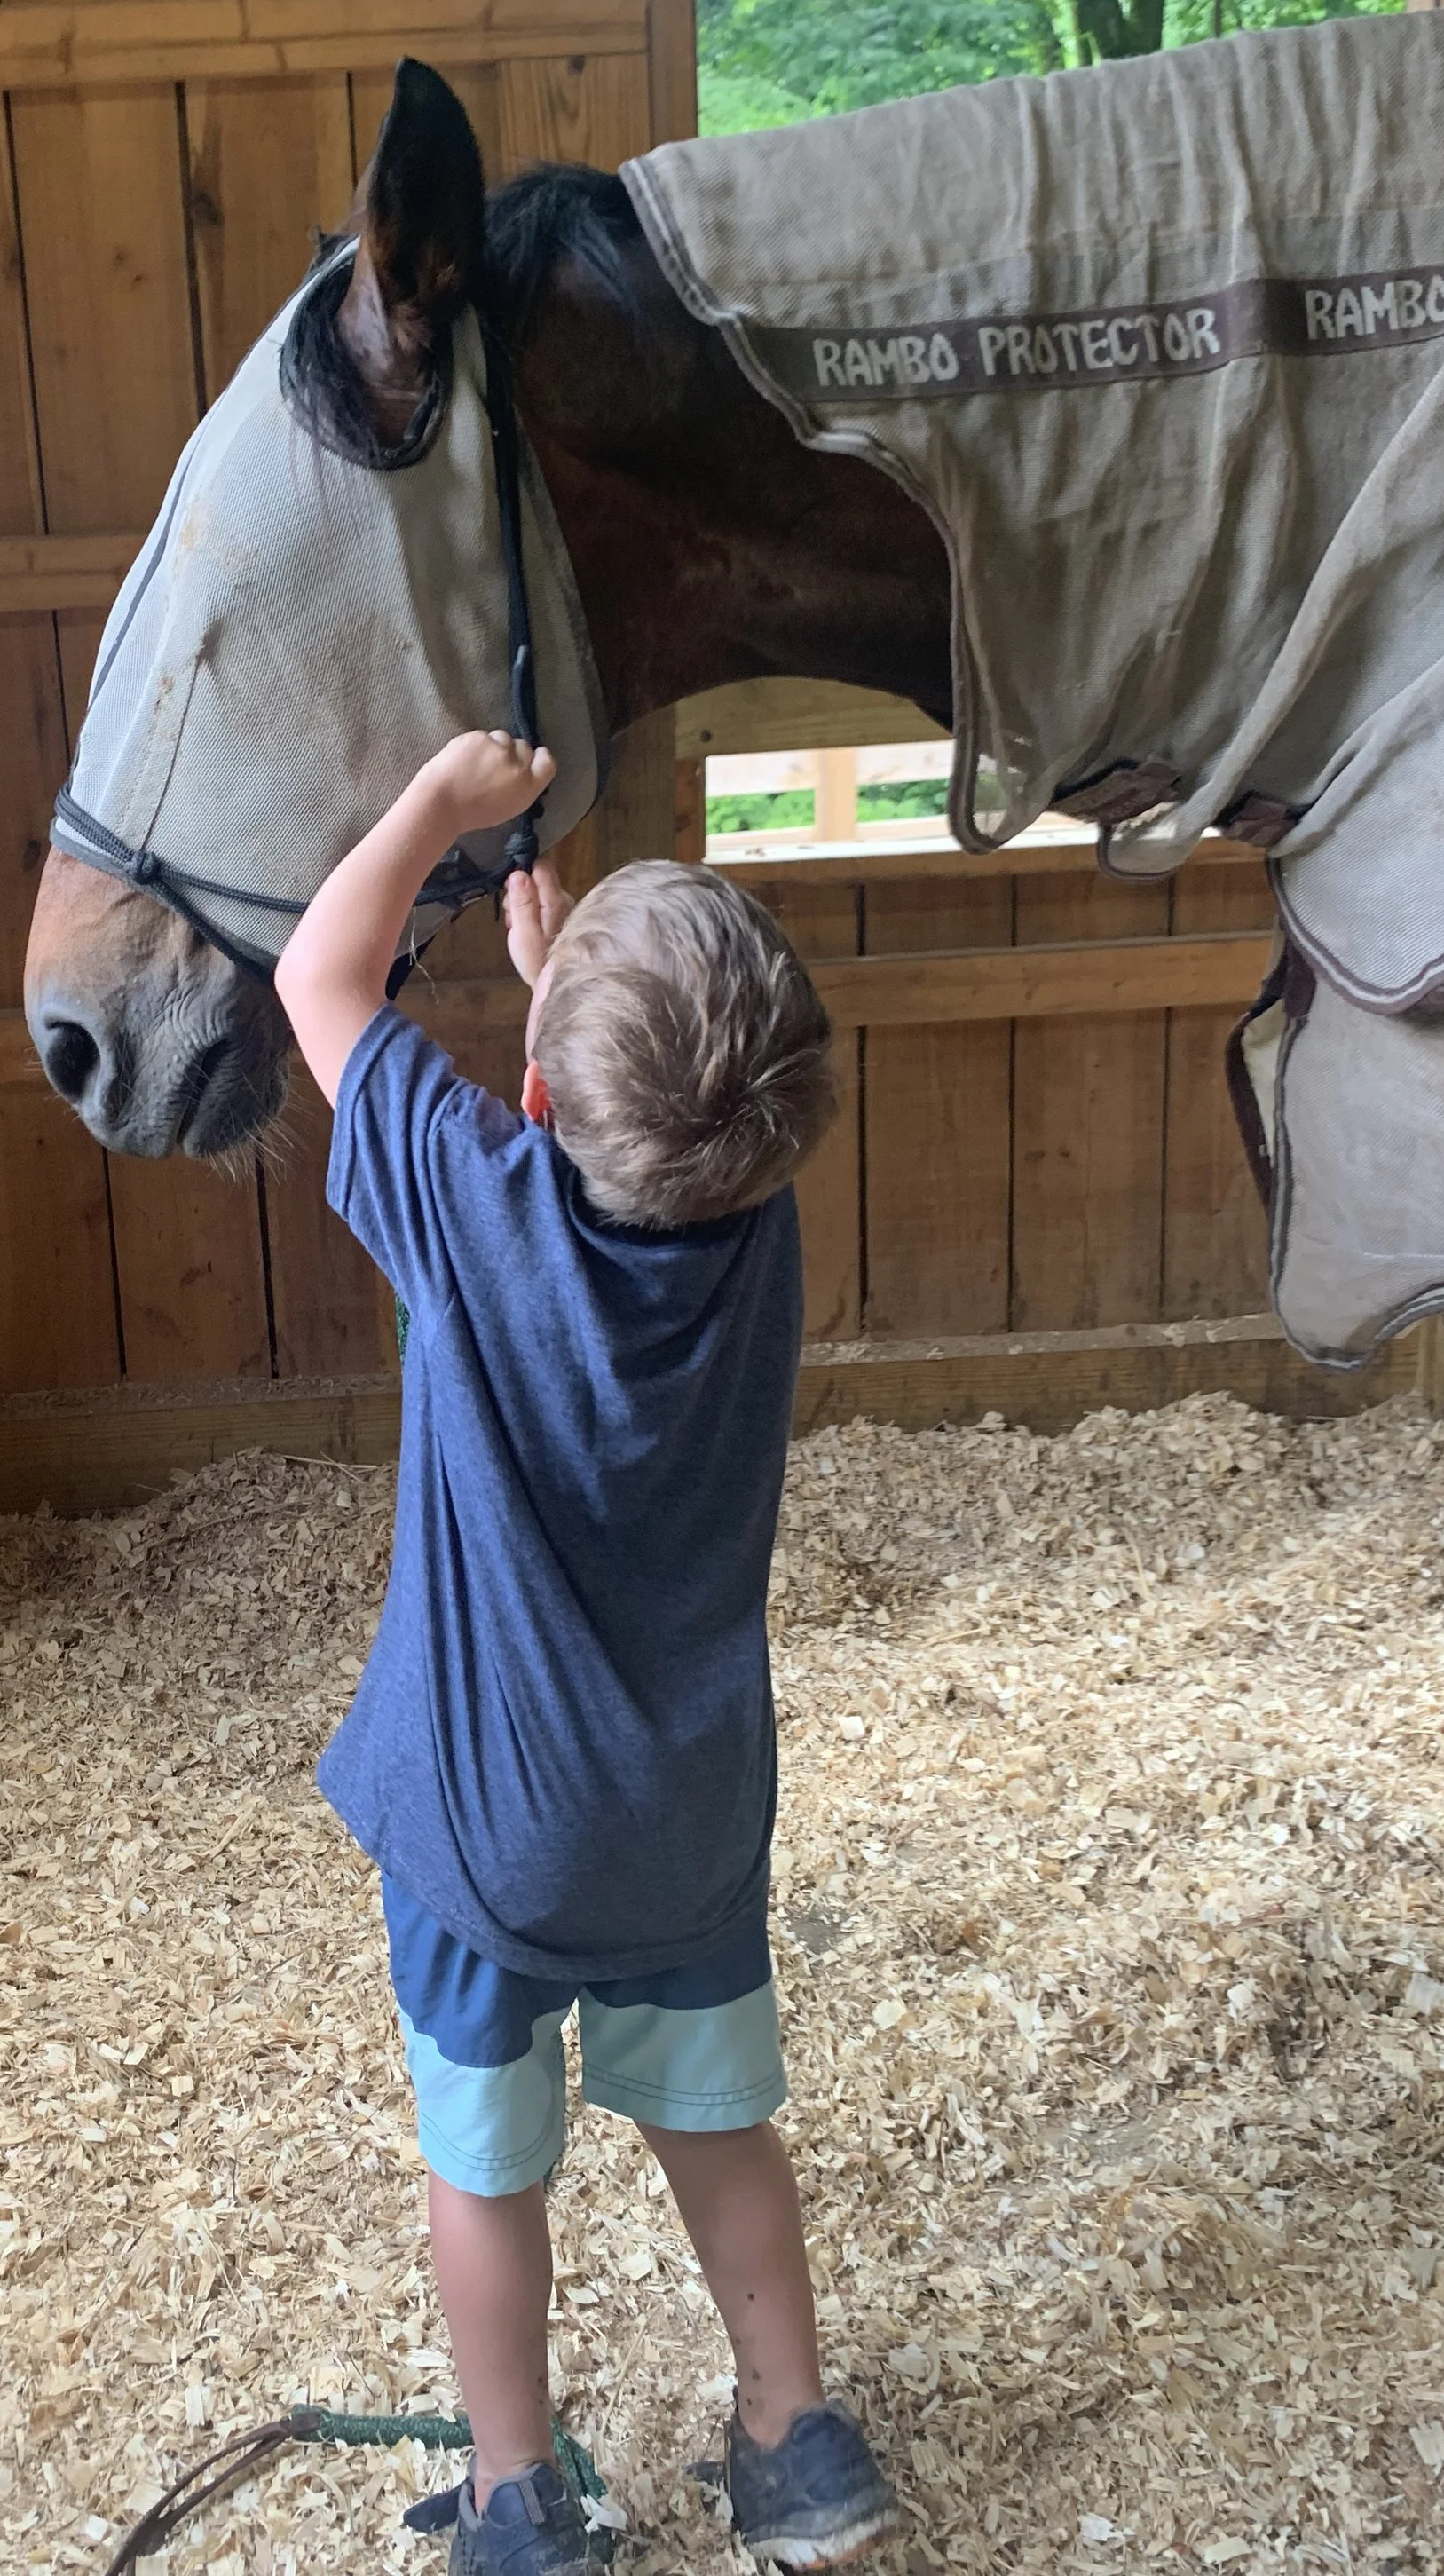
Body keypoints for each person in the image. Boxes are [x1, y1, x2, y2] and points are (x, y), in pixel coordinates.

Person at [272, 730, 903, 2573]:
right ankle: (794, 2444)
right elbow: (665, 1145)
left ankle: (514, 2493)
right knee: (718, 2125)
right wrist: (568, 1002)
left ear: (533, 1086)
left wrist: (428, 810)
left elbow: (318, 974)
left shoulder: (467, 1211)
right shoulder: (757, 1229)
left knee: (486, 2164)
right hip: (686, 1819)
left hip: (489, 1843)